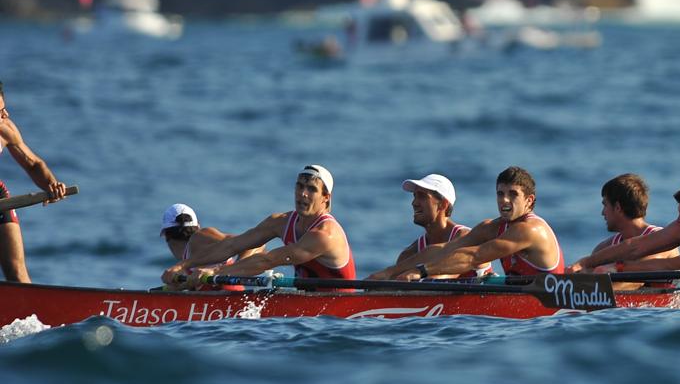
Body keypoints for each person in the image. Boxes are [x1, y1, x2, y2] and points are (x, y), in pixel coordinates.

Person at [163, 164, 356, 285]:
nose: (303, 194)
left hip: (334, 320)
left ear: (326, 198)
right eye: (299, 186)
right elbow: (232, 245)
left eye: (312, 189)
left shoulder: (325, 234)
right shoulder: (280, 222)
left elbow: (268, 260)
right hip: (307, 313)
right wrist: (183, 265)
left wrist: (215, 271)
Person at [378, 166, 564, 280]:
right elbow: (445, 249)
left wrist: (421, 271)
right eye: (500, 194)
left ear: (529, 201)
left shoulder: (530, 229)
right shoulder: (491, 227)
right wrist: (389, 272)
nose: (504, 201)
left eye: (513, 194)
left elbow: (474, 257)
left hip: (547, 318)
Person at [0, 80, 70, 282]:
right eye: (0, 111)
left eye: (4, 108)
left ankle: (31, 313)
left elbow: (33, 164)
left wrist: (51, 184)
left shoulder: (5, 128)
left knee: (17, 274)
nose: (6, 115)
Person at [369, 174, 487, 279]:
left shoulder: (467, 237)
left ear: (443, 204)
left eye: (422, 196)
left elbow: (449, 275)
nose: (414, 203)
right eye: (414, 196)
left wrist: (416, 275)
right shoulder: (409, 254)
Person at [589, 173, 680, 262]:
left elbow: (643, 267)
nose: (602, 213)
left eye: (605, 205)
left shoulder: (663, 240)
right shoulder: (603, 248)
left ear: (617, 207)